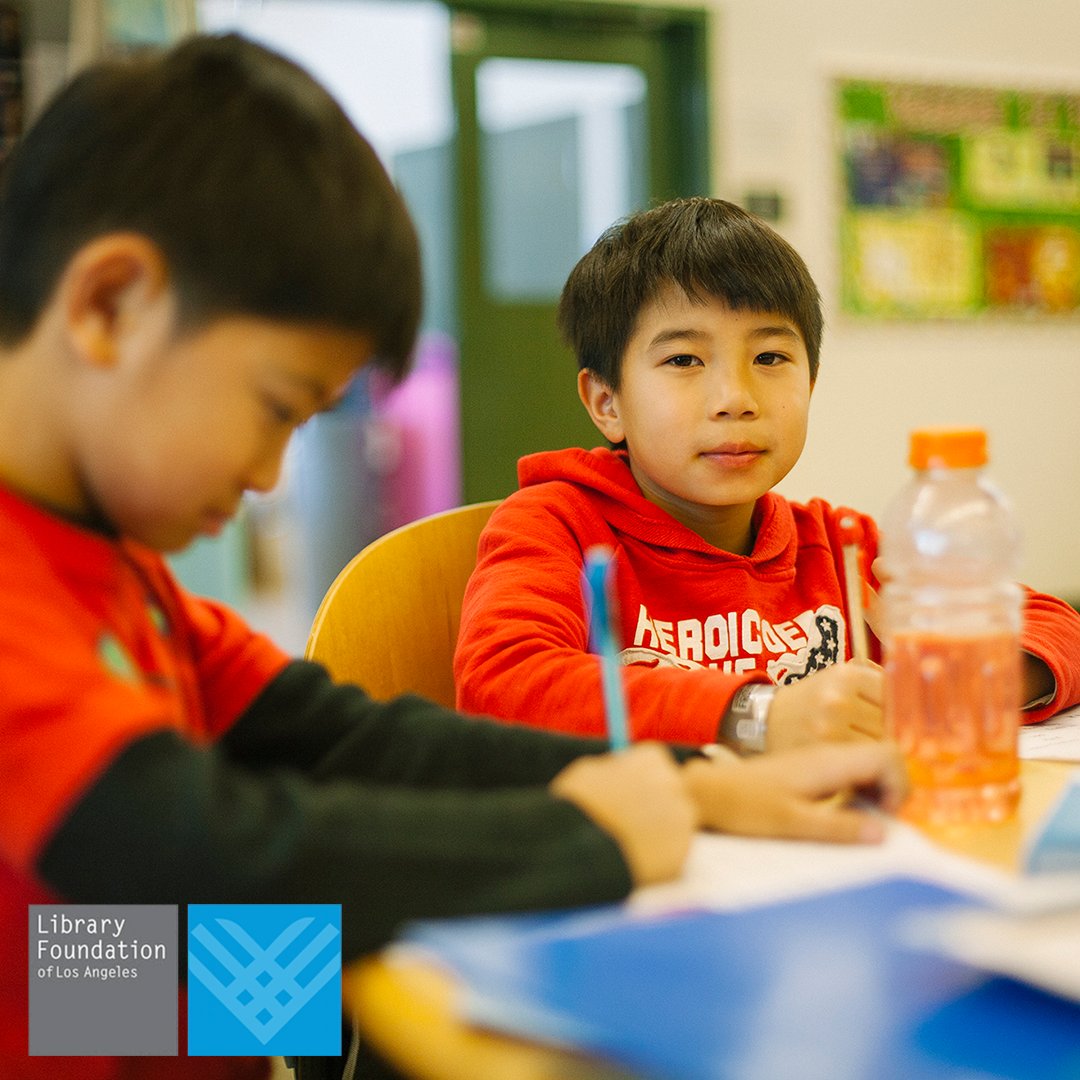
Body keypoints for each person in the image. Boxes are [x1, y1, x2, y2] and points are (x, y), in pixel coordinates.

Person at [0, 37, 911, 1080]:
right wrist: (586, 843)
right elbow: (189, 853)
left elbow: (339, 739)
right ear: (108, 305)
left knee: (409, 976)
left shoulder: (112, 566)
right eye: (276, 407)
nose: (266, 474)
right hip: (55, 1000)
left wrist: (687, 784)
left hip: (85, 976)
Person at [454, 197, 1080, 751]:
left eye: (771, 356)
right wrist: (758, 715)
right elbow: (502, 685)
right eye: (684, 359)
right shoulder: (556, 527)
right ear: (606, 402)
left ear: (811, 383)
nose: (735, 398)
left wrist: (949, 671)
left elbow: (1059, 628)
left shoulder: (837, 547)